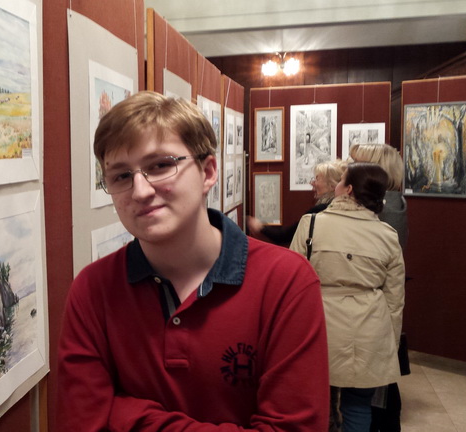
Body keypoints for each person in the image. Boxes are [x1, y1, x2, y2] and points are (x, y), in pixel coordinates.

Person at [58, 91, 330, 431]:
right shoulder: (93, 288)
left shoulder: (286, 281)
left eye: (160, 166)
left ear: (208, 171)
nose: (140, 191)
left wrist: (127, 415)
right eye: (122, 176)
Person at [290, 163, 405, 432]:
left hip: (321, 326)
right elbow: (394, 300)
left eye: (341, 180)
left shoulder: (312, 225)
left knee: (315, 403)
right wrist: (390, 343)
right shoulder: (388, 236)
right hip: (371, 328)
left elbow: (292, 281)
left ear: (349, 190)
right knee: (358, 405)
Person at [349, 143, 408, 432]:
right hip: (376, 311)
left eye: (355, 164)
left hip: (372, 313)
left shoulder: (385, 211)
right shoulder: (392, 202)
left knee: (371, 394)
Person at [247, 159, 347, 246]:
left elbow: (285, 236)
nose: (312, 183)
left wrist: (260, 226)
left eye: (317, 179)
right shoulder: (345, 206)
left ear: (332, 186)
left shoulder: (320, 210)